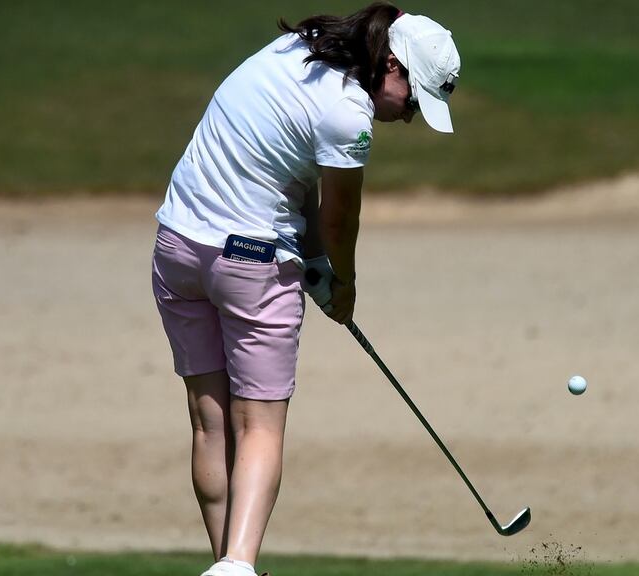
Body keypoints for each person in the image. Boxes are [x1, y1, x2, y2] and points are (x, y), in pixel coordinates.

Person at [150, 3, 461, 575]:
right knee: (259, 427)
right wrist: (343, 285)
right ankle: (240, 565)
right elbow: (342, 221)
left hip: (177, 248)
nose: (412, 116)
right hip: (250, 262)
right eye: (415, 99)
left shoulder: (306, 47)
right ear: (392, 65)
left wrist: (316, 266)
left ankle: (226, 563)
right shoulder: (349, 116)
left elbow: (295, 181)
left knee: (210, 422)